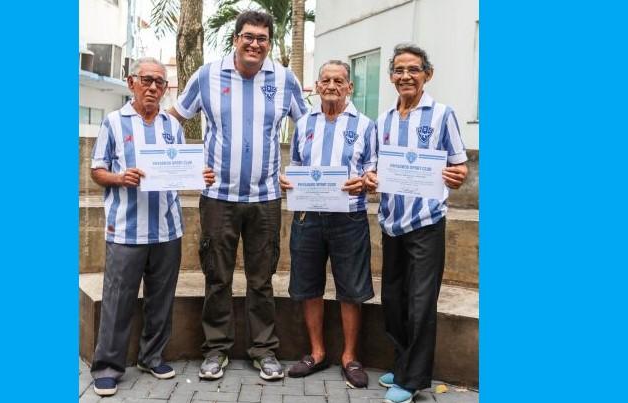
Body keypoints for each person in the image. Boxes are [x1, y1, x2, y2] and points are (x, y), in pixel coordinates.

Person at [168, 10, 307, 380]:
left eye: (262, 38)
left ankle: (264, 350)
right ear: (235, 39)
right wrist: (183, 166)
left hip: (265, 199)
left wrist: (300, 173)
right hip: (218, 198)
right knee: (218, 277)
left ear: (269, 43)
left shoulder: (284, 79)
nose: (255, 44)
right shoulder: (208, 75)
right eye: (248, 36)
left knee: (262, 280)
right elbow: (173, 121)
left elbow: (308, 129)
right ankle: (216, 350)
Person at [89, 57, 215, 396]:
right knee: (118, 299)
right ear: (131, 83)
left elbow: (177, 170)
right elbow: (97, 170)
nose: (154, 87)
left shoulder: (172, 127)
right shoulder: (114, 123)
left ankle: (151, 356)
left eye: (160, 82)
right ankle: (108, 367)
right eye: (147, 80)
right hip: (126, 230)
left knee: (161, 298)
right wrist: (119, 177)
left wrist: (196, 176)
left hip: (166, 228)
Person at [363, 44, 468, 403]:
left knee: (421, 302)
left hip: (426, 222)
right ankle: (404, 362)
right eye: (399, 70)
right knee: (394, 300)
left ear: (427, 74)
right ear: (391, 76)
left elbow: (460, 167)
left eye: (413, 69)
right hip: (392, 222)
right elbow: (371, 167)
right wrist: (370, 177)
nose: (405, 76)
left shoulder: (442, 115)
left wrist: (456, 176)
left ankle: (412, 380)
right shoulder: (385, 121)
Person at [279, 60, 376, 388]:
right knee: (309, 287)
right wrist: (287, 181)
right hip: (307, 217)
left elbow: (372, 169)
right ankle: (317, 352)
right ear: (317, 86)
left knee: (350, 289)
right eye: (325, 80)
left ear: (350, 87)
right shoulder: (304, 123)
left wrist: (364, 180)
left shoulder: (365, 125)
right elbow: (295, 164)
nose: (331, 85)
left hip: (349, 218)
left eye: (339, 80)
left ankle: (350, 357)